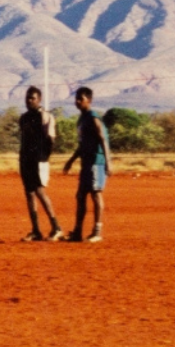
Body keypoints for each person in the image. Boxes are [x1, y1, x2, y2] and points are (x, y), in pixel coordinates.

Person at [62, 86, 112, 243]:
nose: (77, 101)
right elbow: (82, 144)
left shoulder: (93, 117)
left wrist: (108, 162)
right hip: (86, 162)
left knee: (96, 194)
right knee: (80, 195)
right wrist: (71, 161)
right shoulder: (82, 119)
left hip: (97, 162)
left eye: (80, 99)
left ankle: (97, 232)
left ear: (89, 100)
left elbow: (102, 139)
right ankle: (77, 232)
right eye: (76, 98)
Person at [18, 86, 63, 241]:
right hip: (25, 160)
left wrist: (43, 157)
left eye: (32, 97)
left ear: (39, 99)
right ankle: (36, 230)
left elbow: (50, 139)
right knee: (29, 193)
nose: (29, 100)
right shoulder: (23, 118)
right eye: (27, 97)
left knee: (40, 191)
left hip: (39, 160)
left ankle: (56, 227)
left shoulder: (45, 116)